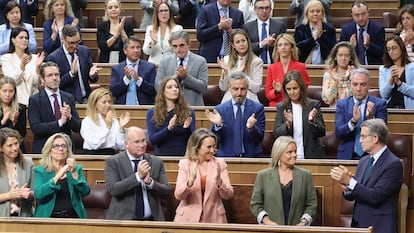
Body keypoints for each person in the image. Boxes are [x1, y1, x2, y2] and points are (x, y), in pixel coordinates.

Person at [330, 118, 403, 233]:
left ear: (375, 138)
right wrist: (346, 188)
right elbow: (357, 192)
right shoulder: (364, 161)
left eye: (363, 136)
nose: (360, 141)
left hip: (380, 226)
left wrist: (350, 182)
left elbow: (376, 196)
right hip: (359, 225)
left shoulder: (393, 164)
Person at [105, 126, 171, 220]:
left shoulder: (156, 162)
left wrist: (151, 183)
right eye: (137, 142)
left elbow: (166, 192)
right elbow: (113, 189)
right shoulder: (113, 162)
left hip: (152, 221)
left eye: (143, 141)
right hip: (123, 222)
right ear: (126, 144)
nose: (142, 145)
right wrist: (137, 176)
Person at [250, 136, 317, 225]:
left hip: (297, 230)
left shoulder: (305, 175)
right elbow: (255, 204)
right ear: (279, 154)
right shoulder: (263, 176)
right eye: (290, 152)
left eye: (295, 151)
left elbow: (312, 204)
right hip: (271, 230)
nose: (294, 155)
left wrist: (303, 222)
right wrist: (267, 222)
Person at [174, 128, 234, 223]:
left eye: (214, 147)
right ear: (197, 147)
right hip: (187, 219)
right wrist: (189, 182)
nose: (213, 150)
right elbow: (179, 196)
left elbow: (228, 195)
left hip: (214, 218)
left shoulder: (220, 164)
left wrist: (220, 183)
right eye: (209, 147)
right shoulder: (185, 164)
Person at [205, 71, 265, 157]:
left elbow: (259, 139)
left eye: (243, 89)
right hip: (226, 157)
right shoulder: (220, 109)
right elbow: (215, 140)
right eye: (235, 89)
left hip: (252, 157)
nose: (239, 93)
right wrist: (218, 126)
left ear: (247, 88)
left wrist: (251, 129)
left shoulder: (257, 108)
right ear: (229, 88)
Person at [28, 61, 81, 154]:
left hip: (65, 149)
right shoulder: (35, 100)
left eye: (56, 75)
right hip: (44, 149)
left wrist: (69, 117)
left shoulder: (69, 97)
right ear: (42, 79)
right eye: (50, 75)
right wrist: (60, 122)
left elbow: (78, 127)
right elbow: (36, 128)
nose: (54, 78)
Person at [335, 68, 387, 160]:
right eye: (355, 84)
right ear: (351, 85)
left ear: (369, 86)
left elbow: (382, 135)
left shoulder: (379, 104)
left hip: (371, 155)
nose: (358, 89)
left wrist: (372, 120)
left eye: (363, 85)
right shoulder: (342, 104)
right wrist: (353, 122)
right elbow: (339, 133)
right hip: (347, 156)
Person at [34, 133, 90, 218]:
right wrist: (58, 176)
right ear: (49, 150)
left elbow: (85, 192)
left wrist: (74, 173)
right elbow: (39, 194)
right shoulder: (40, 170)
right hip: (48, 218)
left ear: (67, 150)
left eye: (63, 146)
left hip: (74, 217)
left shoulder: (76, 168)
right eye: (56, 146)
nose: (60, 149)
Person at [274, 71, 325, 159]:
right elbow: (277, 133)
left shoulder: (313, 105)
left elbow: (322, 132)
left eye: (295, 88)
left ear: (301, 88)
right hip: (288, 156)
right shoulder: (282, 107)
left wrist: (312, 122)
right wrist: (288, 124)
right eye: (288, 89)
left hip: (311, 155)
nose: (292, 92)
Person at [46, 24, 100, 104]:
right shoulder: (54, 57)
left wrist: (92, 75)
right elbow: (55, 84)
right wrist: (71, 74)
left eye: (77, 42)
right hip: (66, 101)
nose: (75, 46)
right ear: (62, 39)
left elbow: (93, 78)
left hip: (86, 99)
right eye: (71, 43)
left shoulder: (84, 51)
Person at [155, 30, 208, 106]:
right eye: (175, 46)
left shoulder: (200, 61)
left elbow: (203, 87)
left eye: (181, 45)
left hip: (193, 107)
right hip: (169, 108)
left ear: (189, 44)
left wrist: (186, 77)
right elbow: (157, 86)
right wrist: (174, 78)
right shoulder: (164, 62)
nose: (178, 50)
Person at [146, 77, 195, 156]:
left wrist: (186, 128)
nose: (175, 89)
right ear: (163, 91)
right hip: (161, 156)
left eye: (176, 87)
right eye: (170, 87)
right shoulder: (152, 112)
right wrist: (168, 129)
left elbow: (192, 142)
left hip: (182, 156)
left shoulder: (188, 112)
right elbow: (152, 140)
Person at [1, 27, 45, 106]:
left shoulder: (35, 58)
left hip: (34, 101)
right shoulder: (6, 58)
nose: (24, 40)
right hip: (16, 102)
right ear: (13, 40)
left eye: (26, 38)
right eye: (21, 37)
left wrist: (38, 68)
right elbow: (12, 81)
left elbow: (37, 83)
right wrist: (22, 66)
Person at [217, 28, 263, 103]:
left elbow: (256, 88)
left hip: (249, 97)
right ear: (233, 45)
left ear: (248, 42)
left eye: (243, 41)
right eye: (237, 42)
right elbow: (223, 87)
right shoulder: (226, 59)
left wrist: (242, 75)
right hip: (230, 97)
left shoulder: (257, 61)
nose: (241, 44)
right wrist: (226, 72)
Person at [80, 88, 130, 155]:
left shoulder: (114, 121)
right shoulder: (87, 121)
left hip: (111, 155)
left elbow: (121, 146)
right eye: (104, 102)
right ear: (95, 104)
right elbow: (94, 144)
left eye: (109, 102)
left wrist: (121, 129)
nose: (108, 105)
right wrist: (107, 127)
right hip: (94, 156)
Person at [265, 33, 310, 107]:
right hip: (277, 105)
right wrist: (276, 91)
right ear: (277, 49)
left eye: (286, 44)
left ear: (292, 48)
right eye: (280, 45)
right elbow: (268, 94)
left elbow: (304, 89)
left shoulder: (301, 67)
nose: (283, 47)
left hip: (296, 104)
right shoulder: (272, 68)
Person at [110, 36, 156, 105]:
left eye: (138, 47)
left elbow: (154, 91)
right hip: (123, 108)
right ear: (125, 51)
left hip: (143, 108)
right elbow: (113, 92)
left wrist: (139, 80)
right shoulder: (117, 68)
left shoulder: (150, 67)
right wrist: (126, 79)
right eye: (132, 47)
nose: (136, 50)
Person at [0, 127, 33, 217]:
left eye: (16, 143)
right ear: (1, 148)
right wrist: (9, 195)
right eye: (10, 145)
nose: (15, 148)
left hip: (24, 216)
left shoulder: (28, 163)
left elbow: (35, 192)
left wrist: (29, 194)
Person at [242, 0, 286, 64]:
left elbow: (285, 45)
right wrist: (261, 44)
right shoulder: (247, 27)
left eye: (267, 8)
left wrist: (273, 44)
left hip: (275, 63)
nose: (264, 11)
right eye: (261, 8)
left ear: (271, 9)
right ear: (255, 10)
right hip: (253, 64)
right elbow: (245, 47)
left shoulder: (279, 26)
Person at [293, 0, 336, 64]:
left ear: (322, 14)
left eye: (318, 11)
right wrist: (313, 39)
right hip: (305, 65)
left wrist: (321, 36)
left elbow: (334, 48)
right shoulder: (300, 29)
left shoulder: (330, 29)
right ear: (307, 14)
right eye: (312, 11)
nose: (315, 14)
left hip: (326, 66)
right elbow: (297, 48)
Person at [379, 36, 414, 109]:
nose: (391, 52)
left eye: (394, 48)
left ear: (401, 48)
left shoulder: (412, 68)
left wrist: (400, 84)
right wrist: (391, 80)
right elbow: (384, 95)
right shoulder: (383, 69)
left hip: (409, 111)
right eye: (388, 49)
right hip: (389, 109)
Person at [322, 41, 360, 107]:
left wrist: (348, 80)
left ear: (350, 58)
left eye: (347, 55)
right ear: (335, 57)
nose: (343, 58)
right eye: (340, 55)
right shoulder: (328, 75)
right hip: (334, 111)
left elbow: (358, 95)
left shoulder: (357, 74)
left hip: (353, 110)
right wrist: (335, 82)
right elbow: (327, 99)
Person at [0, 78, 27, 152]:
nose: (7, 94)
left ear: (15, 92)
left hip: (16, 148)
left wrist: (14, 123)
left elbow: (22, 134)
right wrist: (3, 121)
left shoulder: (21, 108)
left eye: (11, 91)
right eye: (4, 91)